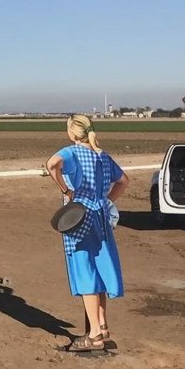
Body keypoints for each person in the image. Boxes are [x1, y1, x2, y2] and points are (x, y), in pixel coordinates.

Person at [45, 114, 130, 351]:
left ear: (73, 133)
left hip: (79, 218)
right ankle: (102, 327)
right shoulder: (101, 155)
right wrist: (106, 201)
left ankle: (93, 335)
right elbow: (123, 180)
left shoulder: (72, 153)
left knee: (86, 273)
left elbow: (52, 164)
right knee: (101, 270)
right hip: (101, 218)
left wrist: (65, 190)